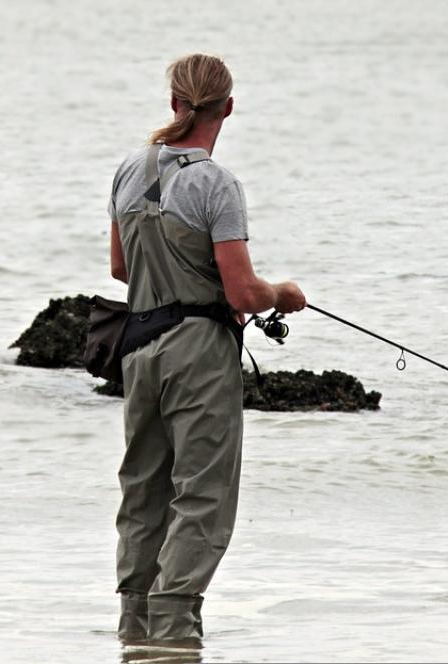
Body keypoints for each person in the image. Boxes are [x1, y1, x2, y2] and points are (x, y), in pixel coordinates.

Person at [107, 53, 306, 644]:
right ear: (229, 108)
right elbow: (244, 291)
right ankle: (173, 629)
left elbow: (121, 269)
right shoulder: (216, 183)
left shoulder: (127, 170)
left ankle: (134, 629)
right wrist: (285, 295)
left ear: (174, 103)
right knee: (202, 496)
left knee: (143, 491)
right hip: (198, 352)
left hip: (138, 349)